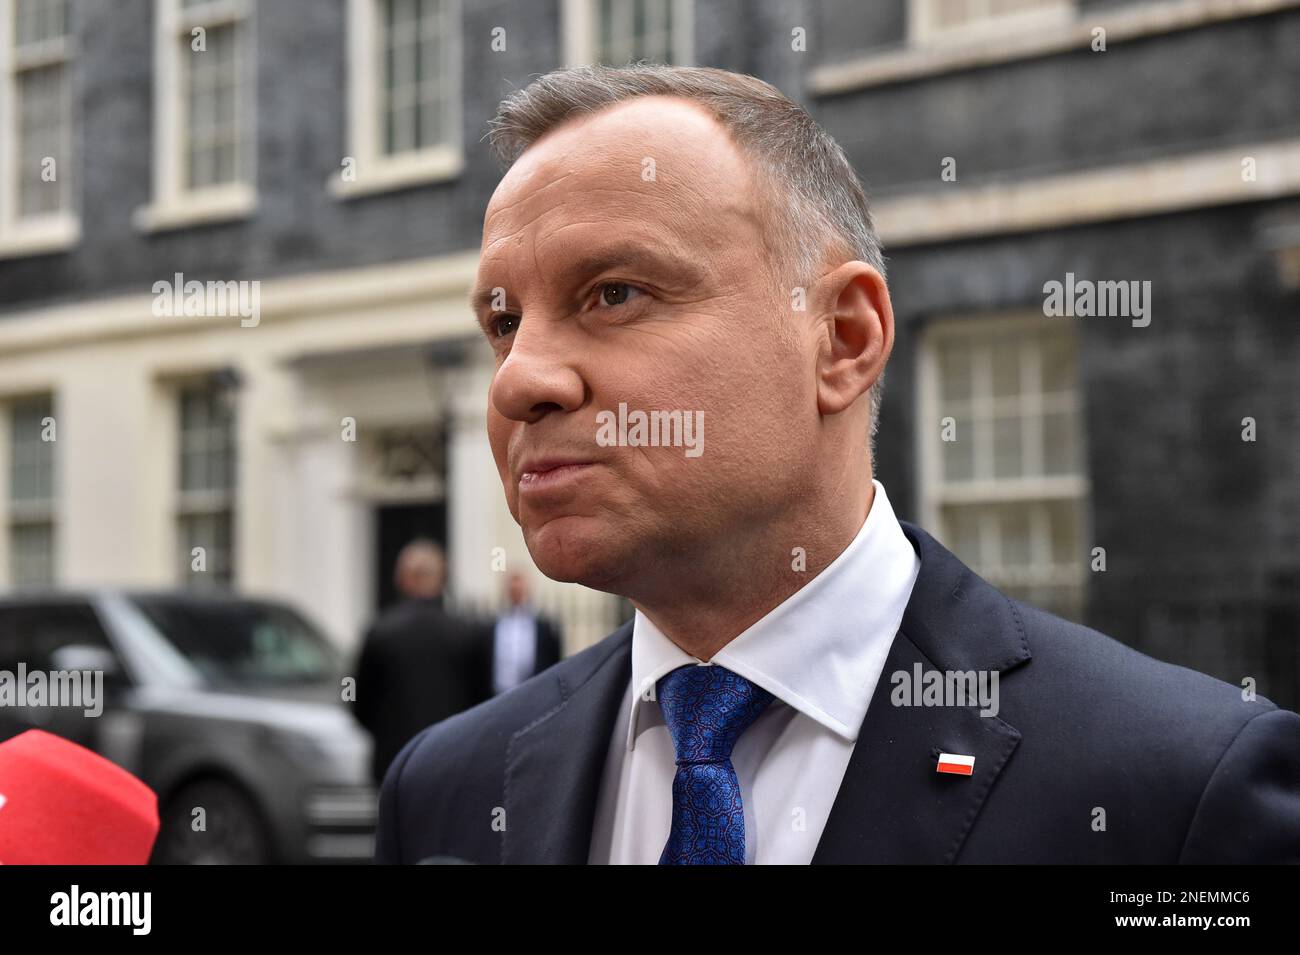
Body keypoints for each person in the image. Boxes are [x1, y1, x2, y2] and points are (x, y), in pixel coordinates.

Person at [375, 65, 1300, 864]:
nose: (516, 380)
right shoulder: (445, 789)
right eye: (503, 322)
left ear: (844, 339)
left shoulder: (1179, 790)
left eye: (614, 293)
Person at [352, 539, 478, 787]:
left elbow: (359, 705)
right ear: (442, 577)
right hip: (453, 758)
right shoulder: (467, 633)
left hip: (395, 762)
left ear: (403, 578)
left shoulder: (380, 631)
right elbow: (481, 701)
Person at [487, 571, 563, 697]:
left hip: (535, 693)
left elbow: (555, 661)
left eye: (519, 591)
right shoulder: (495, 625)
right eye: (513, 591)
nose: (516, 595)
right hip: (500, 694)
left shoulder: (543, 627)